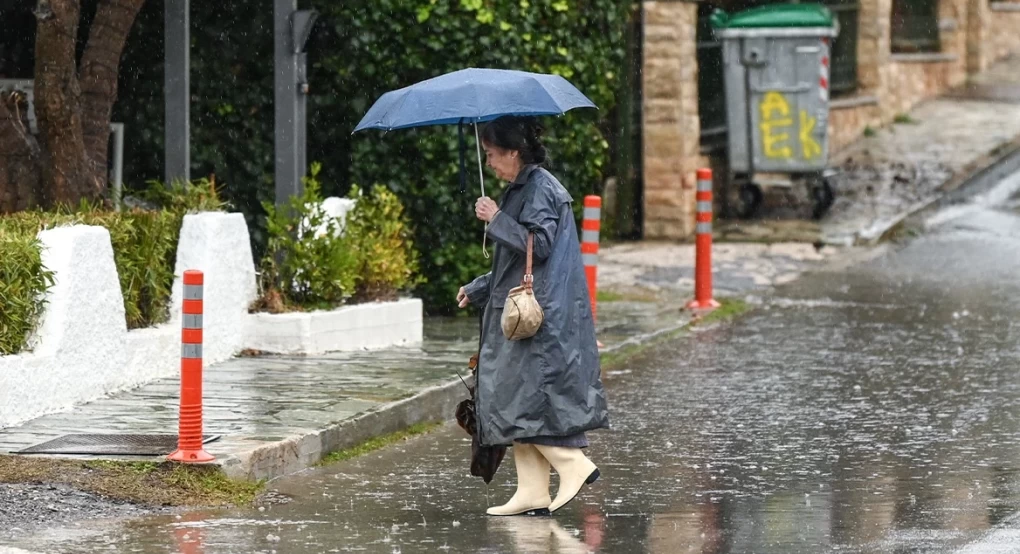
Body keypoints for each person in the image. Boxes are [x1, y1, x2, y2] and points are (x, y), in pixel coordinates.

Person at [457, 115, 610, 516]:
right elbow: (515, 263)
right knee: (520, 400)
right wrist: (477, 287)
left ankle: (574, 466)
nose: (489, 162)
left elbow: (537, 246)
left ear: (513, 151)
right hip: (530, 310)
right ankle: (532, 491)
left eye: (493, 155)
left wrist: (496, 219)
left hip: (540, 318)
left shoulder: (541, 189)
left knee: (519, 400)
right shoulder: (522, 188)